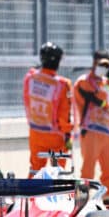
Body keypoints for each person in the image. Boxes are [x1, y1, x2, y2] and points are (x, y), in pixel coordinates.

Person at [23, 42, 73, 174]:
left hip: (35, 132)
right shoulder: (62, 84)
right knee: (57, 172)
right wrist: (68, 134)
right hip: (55, 136)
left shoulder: (30, 78)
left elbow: (27, 100)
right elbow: (64, 115)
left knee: (35, 170)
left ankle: (30, 194)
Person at [73, 50, 109, 199]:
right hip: (90, 129)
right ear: (94, 63)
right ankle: (81, 201)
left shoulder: (108, 83)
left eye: (107, 65)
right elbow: (95, 97)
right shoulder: (83, 82)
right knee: (88, 169)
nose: (103, 67)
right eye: (101, 63)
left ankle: (107, 201)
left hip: (107, 131)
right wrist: (106, 102)